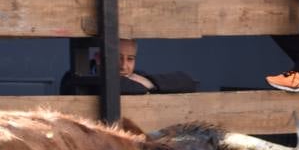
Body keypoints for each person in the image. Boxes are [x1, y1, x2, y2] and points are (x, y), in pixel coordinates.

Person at [59, 38, 199, 95]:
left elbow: (189, 82)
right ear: (98, 58)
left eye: (130, 59)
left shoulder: (138, 76)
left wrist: (150, 83)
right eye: (117, 58)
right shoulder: (73, 77)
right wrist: (146, 85)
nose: (123, 66)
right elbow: (111, 84)